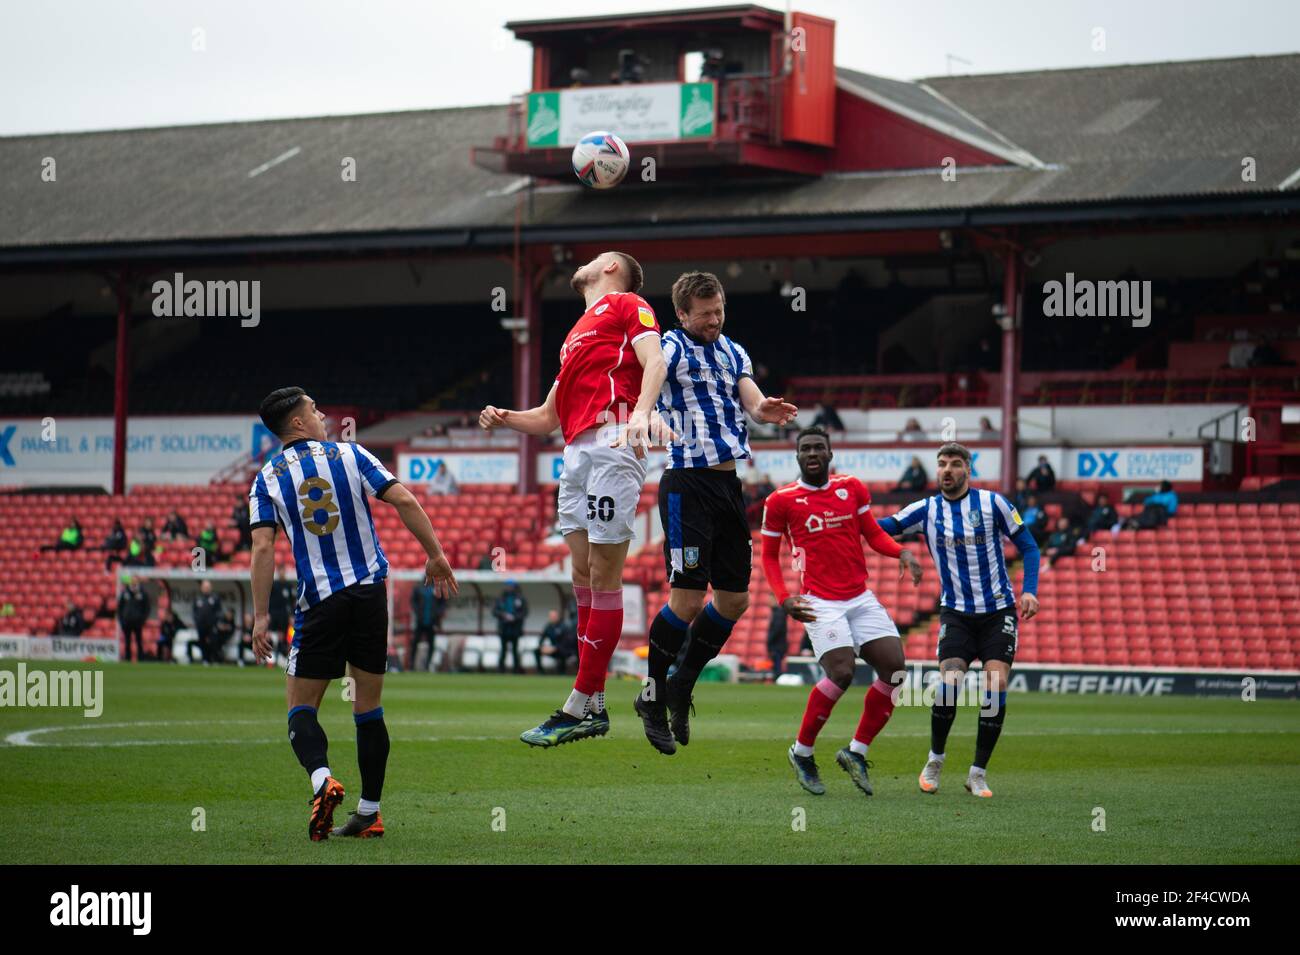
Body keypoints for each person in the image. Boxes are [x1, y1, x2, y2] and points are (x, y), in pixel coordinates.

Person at [479, 250, 674, 748]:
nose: (585, 262)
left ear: (611, 268)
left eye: (596, 257)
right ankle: (598, 704)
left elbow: (656, 361)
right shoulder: (574, 335)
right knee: (581, 574)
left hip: (612, 440)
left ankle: (575, 704)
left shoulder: (630, 304)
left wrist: (641, 413)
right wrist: (505, 416)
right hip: (574, 450)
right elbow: (547, 417)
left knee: (605, 575)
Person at [248, 386, 458, 840]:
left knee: (301, 708)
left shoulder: (266, 478)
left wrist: (260, 616)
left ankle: (323, 780)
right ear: (299, 423)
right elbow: (402, 499)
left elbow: (262, 546)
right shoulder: (351, 454)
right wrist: (436, 555)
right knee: (368, 706)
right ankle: (369, 812)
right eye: (314, 410)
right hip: (368, 593)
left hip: (320, 600)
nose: (322, 415)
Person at [637, 269, 798, 755]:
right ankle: (653, 695)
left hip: (729, 485)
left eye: (719, 310)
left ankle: (684, 682)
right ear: (682, 313)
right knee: (686, 600)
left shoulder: (733, 350)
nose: (714, 320)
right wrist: (645, 411)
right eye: (705, 314)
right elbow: (655, 374)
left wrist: (763, 407)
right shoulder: (670, 347)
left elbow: (748, 393)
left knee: (733, 601)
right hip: (687, 483)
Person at [761, 427, 924, 796]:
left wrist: (903, 552)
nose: (813, 453)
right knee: (842, 672)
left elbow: (872, 534)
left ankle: (856, 752)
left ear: (830, 454)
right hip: (820, 600)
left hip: (860, 597)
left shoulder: (852, 488)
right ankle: (802, 753)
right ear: (798, 456)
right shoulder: (781, 501)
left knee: (896, 673)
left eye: (819, 447)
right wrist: (784, 597)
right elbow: (769, 556)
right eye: (806, 448)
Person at [876, 442, 1041, 799]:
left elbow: (1028, 546)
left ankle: (977, 773)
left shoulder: (994, 503)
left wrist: (1029, 590)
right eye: (941, 464)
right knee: (950, 682)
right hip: (957, 612)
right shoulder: (926, 509)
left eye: (954, 463)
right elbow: (883, 527)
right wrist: (845, 519)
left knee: (995, 688)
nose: (947, 470)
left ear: (968, 468)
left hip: (998, 611)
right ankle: (935, 759)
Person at [492, 581, 528, 674]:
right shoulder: (501, 598)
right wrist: (503, 615)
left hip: (515, 628)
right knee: (503, 649)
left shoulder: (520, 598)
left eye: (511, 586)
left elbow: (524, 612)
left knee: (515, 650)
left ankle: (516, 669)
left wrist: (514, 617)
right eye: (508, 586)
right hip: (503, 628)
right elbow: (495, 611)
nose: (509, 588)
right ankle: (501, 669)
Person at [409, 581, 445, 672]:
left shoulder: (437, 588)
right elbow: (413, 601)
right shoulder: (419, 588)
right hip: (420, 621)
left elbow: (443, 602)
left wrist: (437, 612)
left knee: (431, 644)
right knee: (415, 642)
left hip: (431, 622)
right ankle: (411, 664)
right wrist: (417, 612)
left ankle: (427, 665)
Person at [117, 576, 150, 662]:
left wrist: (142, 619)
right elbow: (120, 608)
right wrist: (121, 619)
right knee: (127, 641)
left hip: (138, 622)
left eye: (135, 581)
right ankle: (127, 658)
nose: (133, 582)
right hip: (127, 621)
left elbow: (146, 608)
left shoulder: (142, 593)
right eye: (132, 581)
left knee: (139, 641)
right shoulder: (125, 593)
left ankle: (141, 658)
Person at [536, 609, 578, 674]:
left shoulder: (564, 626)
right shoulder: (548, 627)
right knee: (537, 651)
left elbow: (566, 642)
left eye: (554, 616)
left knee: (561, 651)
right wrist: (542, 647)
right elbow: (542, 638)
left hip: (564, 649)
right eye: (551, 616)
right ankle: (540, 671)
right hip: (552, 649)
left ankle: (562, 671)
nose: (553, 618)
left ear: (558, 617)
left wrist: (555, 648)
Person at [191, 579, 223, 664]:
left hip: (212, 625)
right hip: (201, 625)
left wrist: (215, 621)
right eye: (205, 587)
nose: (206, 588)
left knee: (214, 642)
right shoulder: (198, 599)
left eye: (208, 587)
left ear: (211, 588)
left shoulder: (215, 598)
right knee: (202, 642)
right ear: (201, 588)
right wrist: (197, 620)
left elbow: (219, 611)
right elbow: (194, 611)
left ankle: (215, 659)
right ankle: (205, 659)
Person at [765, 596, 788, 679]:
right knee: (776, 664)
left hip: (777, 646)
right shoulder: (778, 612)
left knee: (777, 665)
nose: (768, 603)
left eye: (770, 600)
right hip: (778, 645)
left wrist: (769, 641)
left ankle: (778, 678)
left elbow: (777, 629)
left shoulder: (778, 613)